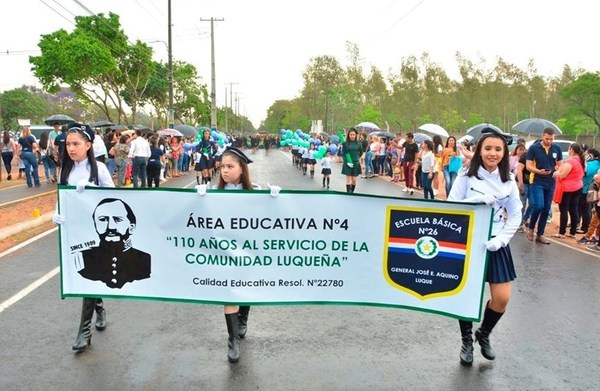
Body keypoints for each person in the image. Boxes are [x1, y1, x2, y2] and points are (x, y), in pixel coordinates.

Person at [195, 146, 279, 363]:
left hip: (248, 252)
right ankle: (232, 341)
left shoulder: (255, 191)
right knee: (229, 293)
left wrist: (275, 197)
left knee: (245, 288)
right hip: (225, 254)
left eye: (230, 166)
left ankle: (243, 318)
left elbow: (274, 216)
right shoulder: (214, 193)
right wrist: (200, 198)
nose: (224, 171)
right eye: (222, 166)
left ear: (242, 169)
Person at [447, 127, 522, 366]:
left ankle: (484, 334)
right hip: (468, 240)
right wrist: (475, 201)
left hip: (496, 243)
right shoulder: (466, 176)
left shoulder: (508, 181)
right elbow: (451, 207)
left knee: (502, 298)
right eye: (488, 148)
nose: (493, 153)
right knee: (466, 295)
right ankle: (466, 340)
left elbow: (516, 215)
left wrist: (501, 240)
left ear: (504, 152)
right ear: (479, 150)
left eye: (498, 149)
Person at [51, 122, 115, 353]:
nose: (71, 148)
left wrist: (92, 189)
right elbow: (62, 195)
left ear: (88, 145)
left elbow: (113, 197)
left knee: (89, 276)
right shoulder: (65, 169)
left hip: (96, 232)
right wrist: (57, 211)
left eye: (76, 143)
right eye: (68, 143)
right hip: (74, 230)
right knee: (86, 275)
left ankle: (84, 332)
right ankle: (99, 308)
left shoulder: (99, 169)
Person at [75, 198, 152, 288]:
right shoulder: (81, 259)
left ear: (131, 227)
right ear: (95, 225)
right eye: (103, 219)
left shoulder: (145, 259)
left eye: (118, 220)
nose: (110, 227)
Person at [525, 128, 563, 244]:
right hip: (537, 180)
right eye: (547, 139)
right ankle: (531, 228)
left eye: (551, 139)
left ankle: (540, 234)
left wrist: (558, 171)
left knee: (547, 208)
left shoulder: (557, 148)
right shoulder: (534, 148)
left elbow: (561, 163)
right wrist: (538, 171)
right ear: (542, 136)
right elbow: (528, 165)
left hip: (551, 181)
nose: (549, 141)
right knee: (539, 205)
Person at [551, 143, 585, 238]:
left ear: (571, 150)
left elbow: (562, 175)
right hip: (578, 186)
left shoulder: (571, 162)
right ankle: (572, 232)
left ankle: (562, 233)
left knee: (564, 210)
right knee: (573, 209)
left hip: (567, 188)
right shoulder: (581, 161)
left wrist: (556, 173)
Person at [341, 128, 364, 193]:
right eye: (351, 134)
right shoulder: (345, 143)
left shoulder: (358, 143)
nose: (352, 136)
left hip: (355, 163)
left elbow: (361, 152)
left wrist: (357, 158)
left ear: (356, 135)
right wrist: (347, 161)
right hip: (347, 163)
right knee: (348, 179)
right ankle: (348, 193)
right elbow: (343, 154)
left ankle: (352, 191)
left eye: (353, 134)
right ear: (349, 135)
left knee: (354, 180)